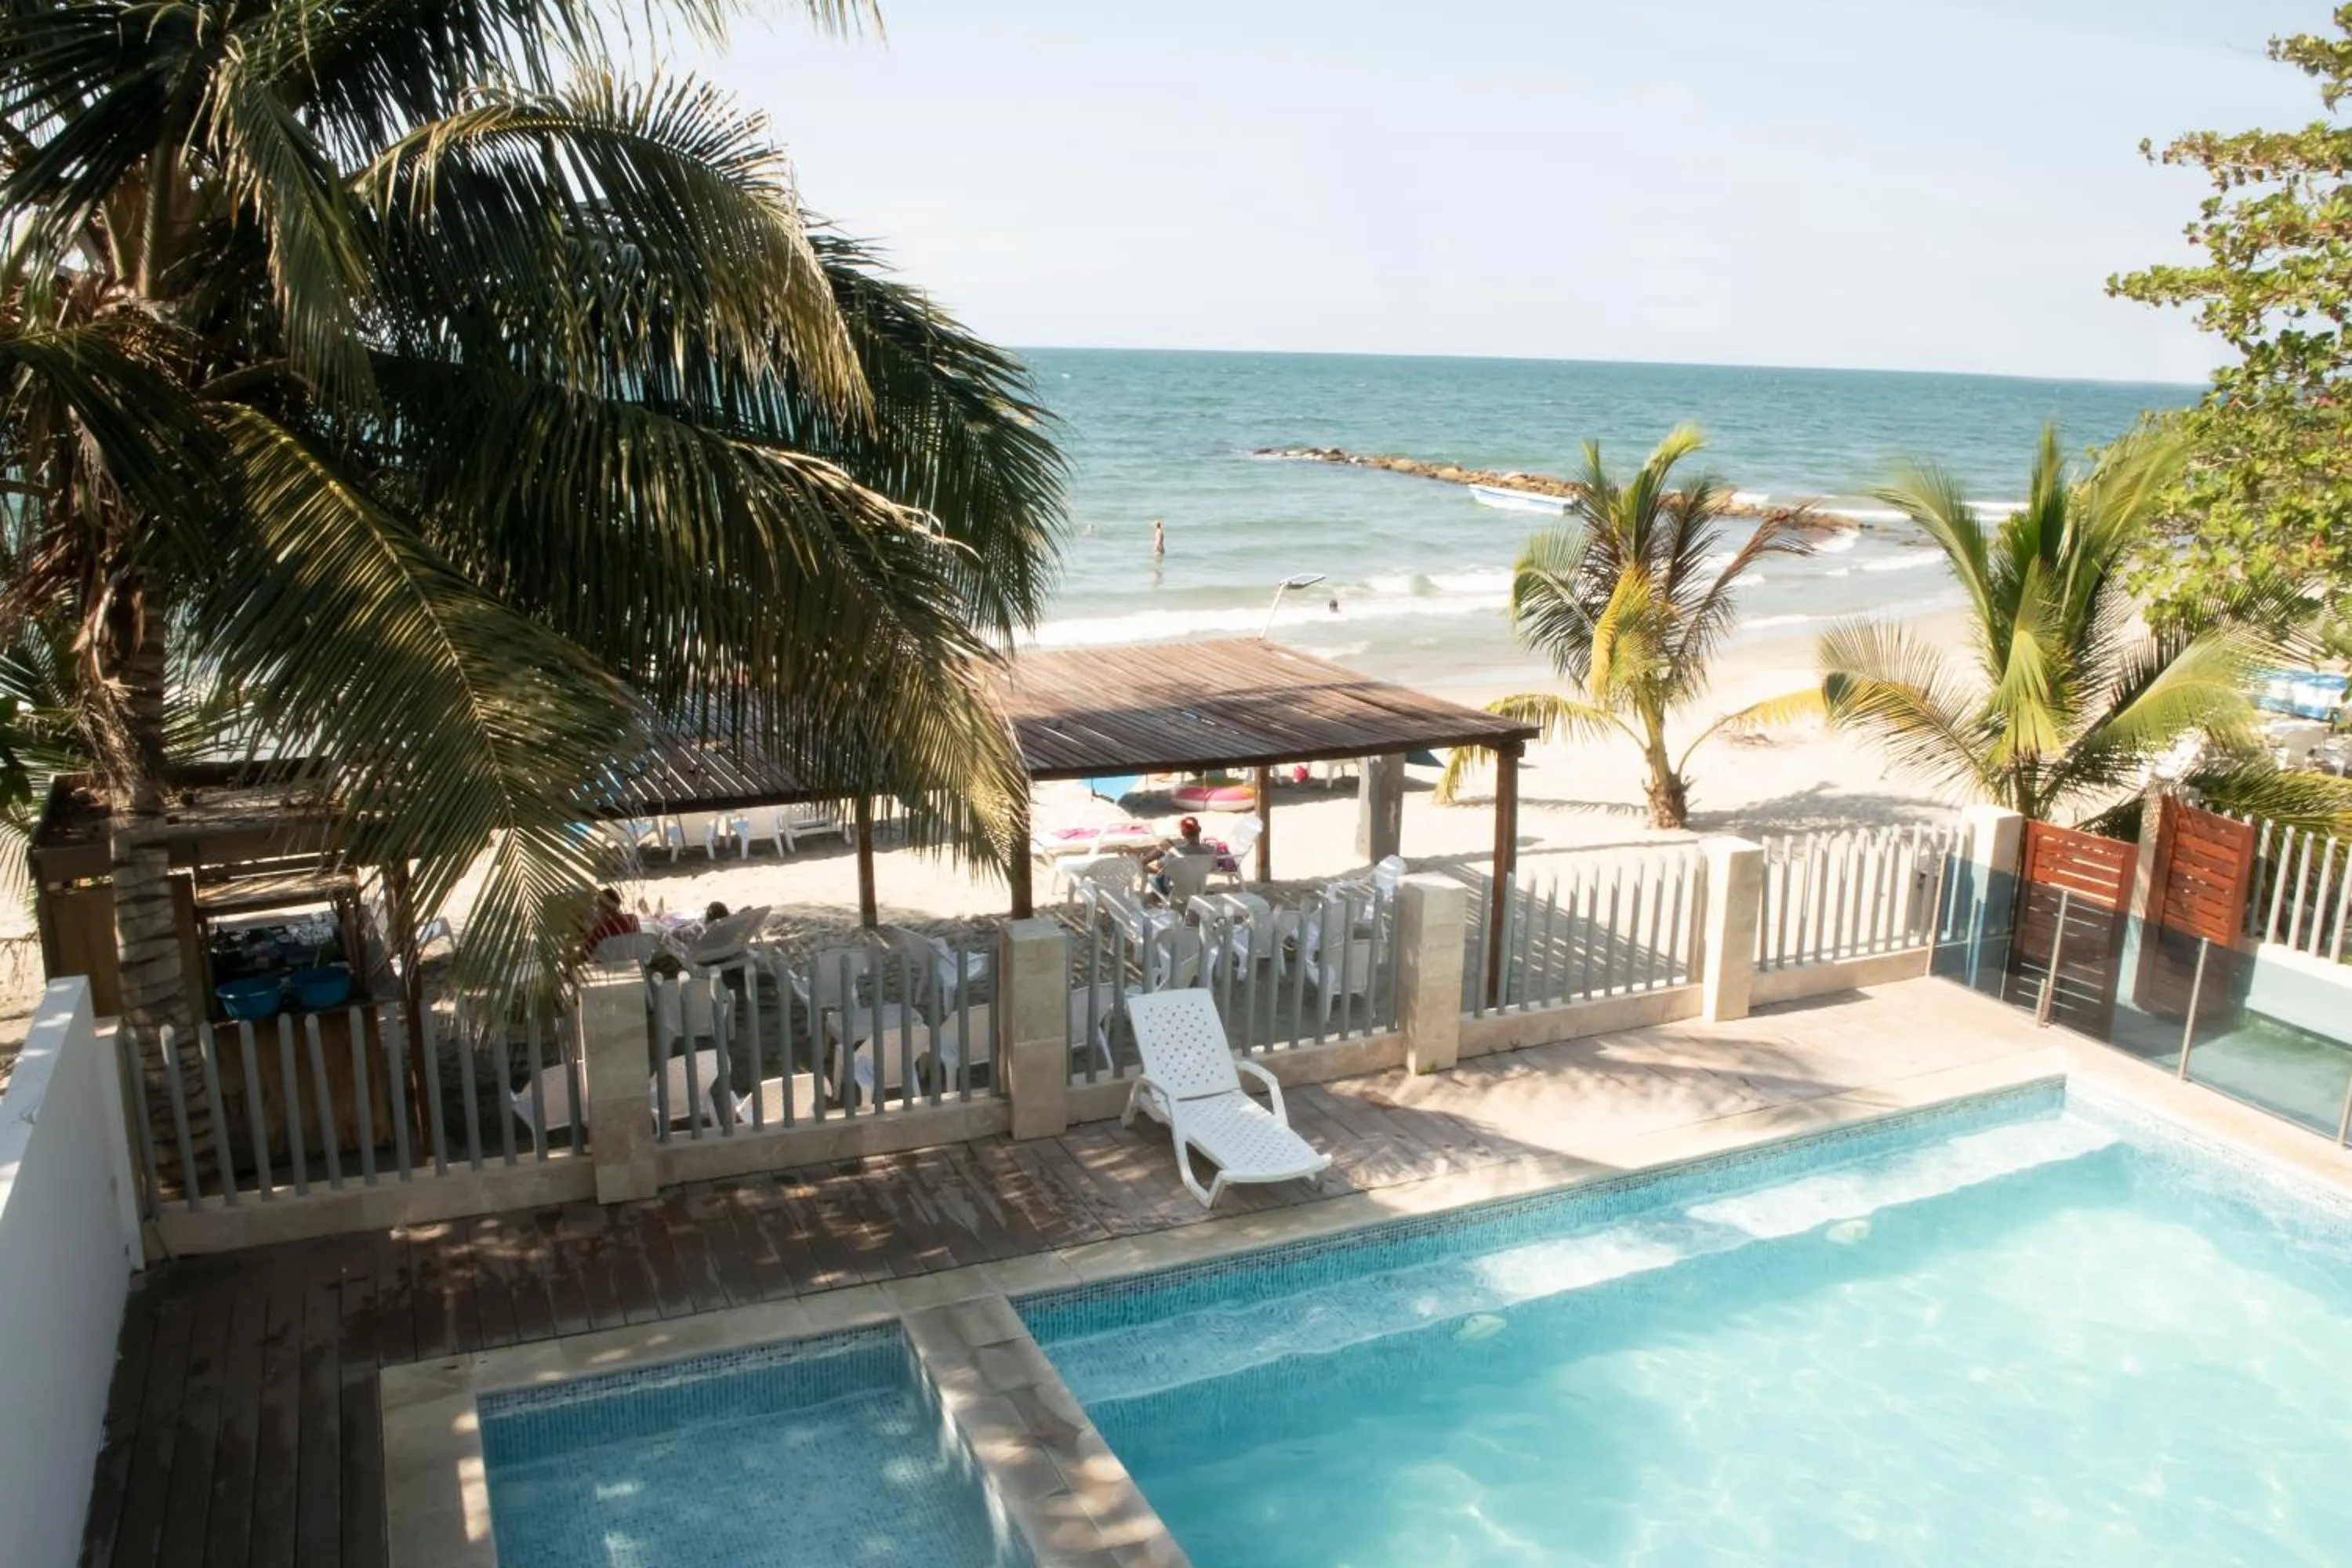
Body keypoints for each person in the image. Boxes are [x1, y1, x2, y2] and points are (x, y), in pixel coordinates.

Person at [1144, 815, 1218, 898]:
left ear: (1183, 833)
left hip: (1179, 896)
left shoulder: (1176, 852)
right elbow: (1214, 868)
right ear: (1199, 830)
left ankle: (1142, 863)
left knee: (1154, 876)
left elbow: (1159, 868)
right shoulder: (1210, 850)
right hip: (1199, 892)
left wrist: (1145, 867)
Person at [579, 886, 639, 956]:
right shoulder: (633, 920)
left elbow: (582, 954)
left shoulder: (602, 929)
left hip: (608, 966)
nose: (597, 910)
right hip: (633, 964)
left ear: (603, 907)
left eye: (597, 906)